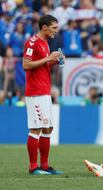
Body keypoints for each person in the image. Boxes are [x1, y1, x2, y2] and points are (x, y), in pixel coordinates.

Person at [22, 14, 63, 175]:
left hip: (45, 91)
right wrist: (48, 58)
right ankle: (33, 167)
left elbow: (42, 65)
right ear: (44, 27)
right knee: (36, 128)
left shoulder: (45, 43)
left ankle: (45, 166)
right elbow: (26, 64)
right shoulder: (32, 42)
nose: (56, 31)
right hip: (35, 92)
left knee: (48, 128)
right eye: (54, 28)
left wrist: (54, 61)